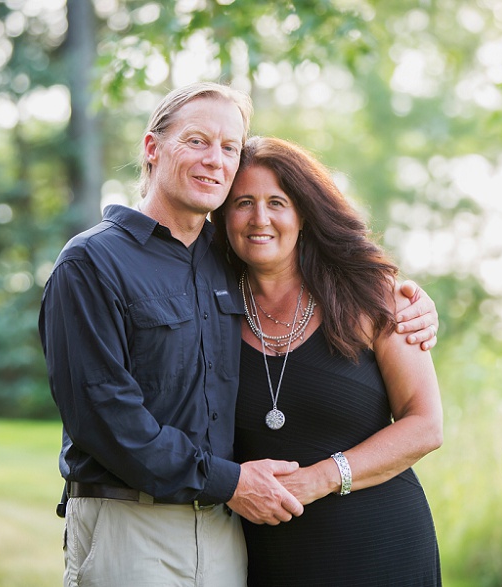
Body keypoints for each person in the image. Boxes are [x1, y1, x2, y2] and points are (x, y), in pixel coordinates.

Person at [38, 82, 439, 587]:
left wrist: (411, 301)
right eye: (197, 141)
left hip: (240, 534)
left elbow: (422, 417)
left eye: (229, 147)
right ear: (151, 148)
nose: (215, 160)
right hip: (136, 523)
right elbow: (106, 418)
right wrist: (232, 483)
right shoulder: (92, 262)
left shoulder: (222, 263)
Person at [212, 136, 444, 586]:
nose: (260, 219)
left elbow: (426, 425)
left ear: (303, 213)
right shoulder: (210, 307)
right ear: (224, 217)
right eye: (243, 203)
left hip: (382, 548)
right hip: (270, 559)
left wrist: (320, 478)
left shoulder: (373, 295)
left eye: (277, 202)